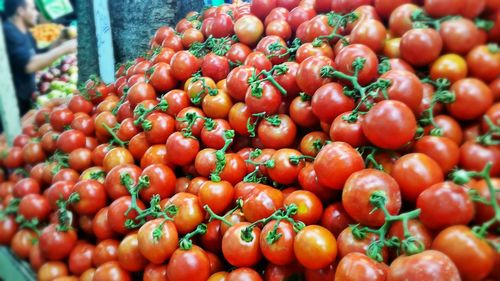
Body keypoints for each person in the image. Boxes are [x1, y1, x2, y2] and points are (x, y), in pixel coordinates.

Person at [2, 0, 77, 117]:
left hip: (26, 98)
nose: (37, 13)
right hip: (12, 105)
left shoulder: (25, 33)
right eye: (32, 9)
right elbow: (30, 65)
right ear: (20, 11)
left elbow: (39, 54)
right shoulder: (8, 32)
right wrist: (64, 49)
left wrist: (59, 40)